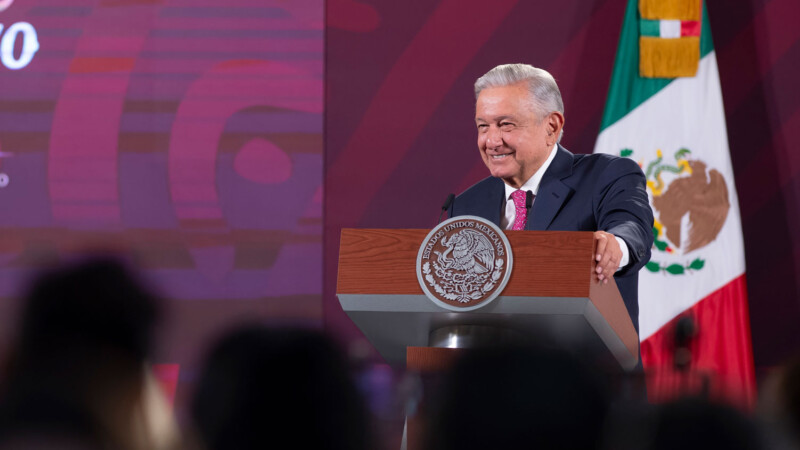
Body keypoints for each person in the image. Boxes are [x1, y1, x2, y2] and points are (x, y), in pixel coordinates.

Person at [449, 63, 653, 333]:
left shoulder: (606, 175)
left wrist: (616, 245)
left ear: (551, 127)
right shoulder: (465, 205)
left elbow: (633, 226)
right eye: (483, 126)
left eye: (505, 125)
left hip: (583, 369)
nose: (491, 140)